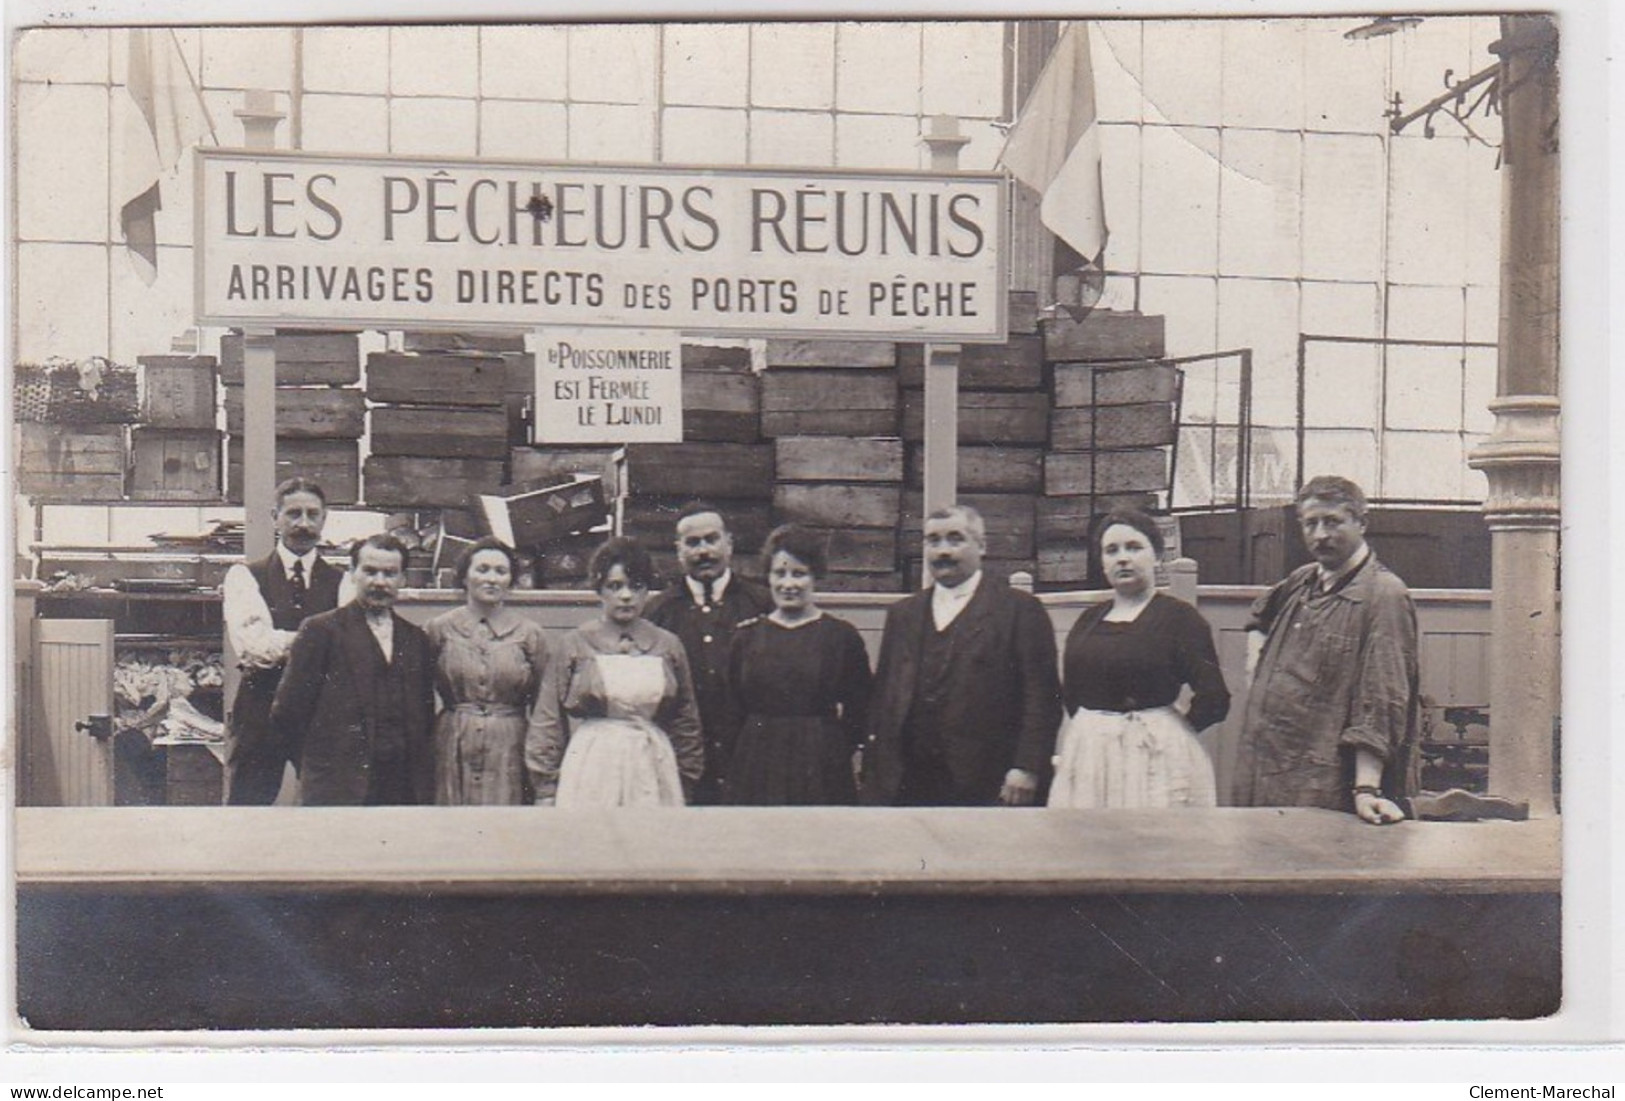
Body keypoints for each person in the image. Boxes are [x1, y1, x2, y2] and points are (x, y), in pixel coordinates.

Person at [1232, 475, 1420, 824]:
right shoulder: (1302, 580)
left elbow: (1381, 699)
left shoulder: (1384, 595)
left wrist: (1367, 790)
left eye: (1332, 522)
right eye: (1310, 524)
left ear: (1361, 523)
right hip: (1265, 772)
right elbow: (1259, 615)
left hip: (1327, 789)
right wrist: (1255, 673)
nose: (1320, 535)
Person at [862, 504, 1063, 806]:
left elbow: (1042, 698)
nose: (943, 551)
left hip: (988, 779)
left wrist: (1026, 767)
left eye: (955, 539)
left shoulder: (1019, 610)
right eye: (933, 540)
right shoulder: (904, 614)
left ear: (981, 546)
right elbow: (884, 697)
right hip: (910, 780)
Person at [1048, 509, 1229, 808]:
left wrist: (1170, 731)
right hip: (1092, 756)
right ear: (1102, 562)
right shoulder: (1089, 621)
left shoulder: (1180, 619)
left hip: (1154, 757)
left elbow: (1215, 697)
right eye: (1112, 550)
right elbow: (1073, 693)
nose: (1122, 558)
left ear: (1157, 556)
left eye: (1134, 547)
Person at [527, 536, 704, 806]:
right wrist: (546, 787)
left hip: (653, 762)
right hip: (592, 763)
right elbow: (548, 720)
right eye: (614, 586)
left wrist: (685, 778)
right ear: (599, 590)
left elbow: (686, 719)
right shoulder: (574, 644)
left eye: (636, 587)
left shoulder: (668, 646)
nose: (625, 596)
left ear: (647, 591)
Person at [270, 534, 436, 806]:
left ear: (403, 579)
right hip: (337, 786)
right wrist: (317, 768)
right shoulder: (321, 630)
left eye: (390, 573)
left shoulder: (416, 639)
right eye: (370, 571)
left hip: (400, 788)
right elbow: (287, 712)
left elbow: (424, 716)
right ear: (352, 574)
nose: (379, 582)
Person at [725, 524, 874, 805]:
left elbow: (861, 710)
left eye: (799, 574)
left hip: (820, 766)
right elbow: (732, 711)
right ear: (768, 576)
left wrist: (832, 750)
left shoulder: (841, 637)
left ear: (816, 576)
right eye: (779, 573)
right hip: (756, 763)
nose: (788, 584)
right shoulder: (746, 638)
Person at [221, 477, 344, 805]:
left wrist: (286, 643)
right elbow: (255, 648)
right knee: (248, 809)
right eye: (293, 514)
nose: (303, 523)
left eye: (312, 514)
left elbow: (347, 647)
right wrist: (318, 641)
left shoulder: (344, 582)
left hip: (322, 711)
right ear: (275, 516)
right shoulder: (245, 576)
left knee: (329, 808)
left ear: (324, 518)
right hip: (261, 708)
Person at [644, 500, 771, 803]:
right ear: (678, 550)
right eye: (692, 543)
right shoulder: (658, 612)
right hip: (681, 761)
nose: (703, 551)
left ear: (729, 543)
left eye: (712, 539)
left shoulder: (762, 604)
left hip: (747, 756)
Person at [424, 537, 550, 805]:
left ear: (511, 581)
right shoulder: (439, 629)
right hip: (453, 740)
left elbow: (544, 706)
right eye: (482, 569)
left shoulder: (530, 634)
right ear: (465, 576)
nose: (491, 579)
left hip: (510, 744)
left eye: (500, 571)